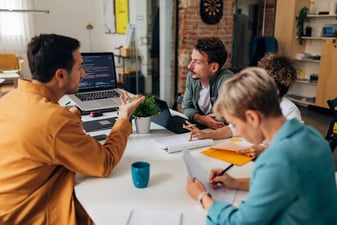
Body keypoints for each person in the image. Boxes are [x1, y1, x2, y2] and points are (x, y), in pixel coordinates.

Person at [0, 34, 144, 225]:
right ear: (60, 75)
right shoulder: (55, 120)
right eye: (79, 68)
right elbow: (104, 163)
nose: (84, 74)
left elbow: (46, 132)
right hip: (25, 215)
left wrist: (70, 116)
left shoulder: (11, 98)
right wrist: (123, 118)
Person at [186, 67, 337, 225]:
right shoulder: (312, 136)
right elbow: (282, 183)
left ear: (252, 117)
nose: (236, 131)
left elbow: (241, 222)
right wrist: (234, 183)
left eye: (235, 124)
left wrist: (203, 198)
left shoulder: (277, 159)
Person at [184, 53, 302, 156]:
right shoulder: (255, 101)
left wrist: (265, 150)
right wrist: (206, 135)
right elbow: (232, 129)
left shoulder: (290, 110)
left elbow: (292, 148)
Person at [182, 37, 233, 129]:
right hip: (205, 130)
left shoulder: (227, 81)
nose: (190, 66)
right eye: (192, 59)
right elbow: (186, 107)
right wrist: (202, 119)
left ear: (213, 67)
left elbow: (228, 118)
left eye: (197, 62)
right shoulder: (192, 77)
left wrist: (199, 118)